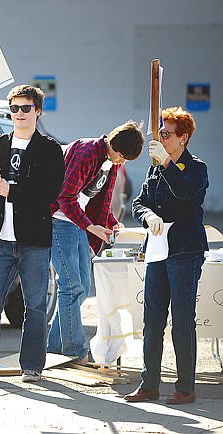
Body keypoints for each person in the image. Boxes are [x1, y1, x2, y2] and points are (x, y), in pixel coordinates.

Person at [0, 84, 65, 382]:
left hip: (34, 241)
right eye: (14, 109)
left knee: (35, 306)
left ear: (38, 111)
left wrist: (11, 190)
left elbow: (50, 193)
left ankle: (32, 366)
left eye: (26, 108)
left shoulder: (50, 149)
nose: (20, 114)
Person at [124, 107, 208, 405]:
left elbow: (187, 194)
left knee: (183, 320)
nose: (159, 138)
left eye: (166, 134)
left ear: (182, 138)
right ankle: (149, 384)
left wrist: (167, 164)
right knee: (152, 320)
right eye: (159, 133)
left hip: (185, 250)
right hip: (158, 250)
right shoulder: (155, 168)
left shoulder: (196, 167)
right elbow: (139, 202)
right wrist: (147, 216)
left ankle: (185, 387)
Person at [48, 120, 144, 365]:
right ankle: (75, 351)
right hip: (59, 220)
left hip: (77, 222)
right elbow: (64, 197)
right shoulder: (87, 152)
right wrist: (90, 226)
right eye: (122, 156)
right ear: (113, 145)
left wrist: (111, 221)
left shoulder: (109, 160)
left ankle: (55, 347)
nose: (122, 163)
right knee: (71, 286)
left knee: (81, 285)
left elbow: (99, 199)